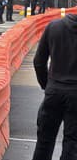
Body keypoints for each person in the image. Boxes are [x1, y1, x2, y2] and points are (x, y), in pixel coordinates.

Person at [32, 13, 77, 160]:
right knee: (72, 142)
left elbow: (39, 61)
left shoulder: (54, 26)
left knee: (44, 140)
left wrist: (47, 85)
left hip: (54, 90)